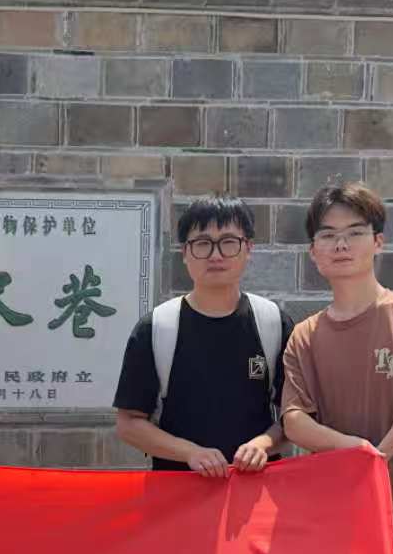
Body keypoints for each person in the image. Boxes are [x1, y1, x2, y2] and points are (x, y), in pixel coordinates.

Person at [281, 181, 393, 554]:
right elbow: (295, 420)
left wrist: (377, 458)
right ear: (313, 251)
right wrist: (353, 450)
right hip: (331, 512)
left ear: (378, 241)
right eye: (328, 235)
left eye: (354, 233)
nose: (341, 245)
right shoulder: (305, 336)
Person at [113, 196, 292, 477]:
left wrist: (262, 444)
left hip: (256, 488)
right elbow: (128, 423)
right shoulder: (156, 327)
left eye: (229, 242)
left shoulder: (272, 322)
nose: (215, 255)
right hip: (178, 492)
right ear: (185, 252)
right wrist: (190, 453)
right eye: (203, 243)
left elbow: (293, 416)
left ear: (248, 249)